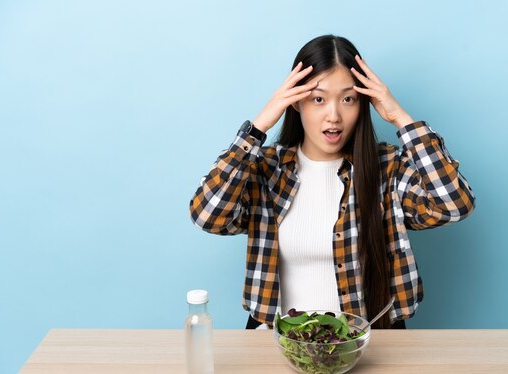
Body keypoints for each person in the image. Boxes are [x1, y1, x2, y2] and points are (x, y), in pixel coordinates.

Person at [189, 34, 475, 330]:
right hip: (276, 343)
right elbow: (207, 216)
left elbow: (454, 206)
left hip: (369, 344)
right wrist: (258, 127)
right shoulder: (266, 169)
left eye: (348, 99)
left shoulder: (387, 168)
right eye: (318, 99)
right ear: (296, 102)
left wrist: (400, 118)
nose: (334, 116)